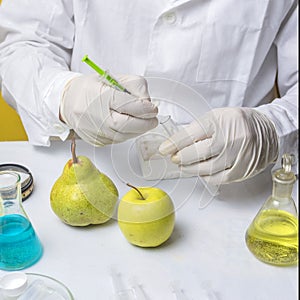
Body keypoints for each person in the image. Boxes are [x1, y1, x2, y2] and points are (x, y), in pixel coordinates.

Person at [0, 1, 298, 185]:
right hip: (90, 172)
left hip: (233, 181)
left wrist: (271, 129)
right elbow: (20, 45)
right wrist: (64, 95)